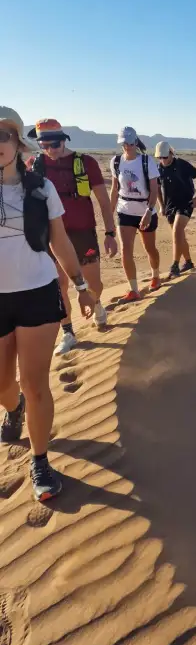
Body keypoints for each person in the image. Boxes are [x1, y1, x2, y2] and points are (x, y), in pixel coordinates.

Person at [0, 106, 95, 501]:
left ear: (16, 142)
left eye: (2, 137)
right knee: (3, 384)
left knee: (35, 383)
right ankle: (13, 406)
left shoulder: (40, 188)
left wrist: (80, 285)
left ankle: (40, 459)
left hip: (38, 293)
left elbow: (59, 241)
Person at [26, 119, 118, 355]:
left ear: (64, 139)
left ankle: (96, 303)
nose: (50, 150)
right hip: (51, 236)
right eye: (44, 145)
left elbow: (103, 202)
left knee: (93, 283)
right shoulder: (34, 165)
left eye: (54, 144)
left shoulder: (86, 162)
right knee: (59, 286)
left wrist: (110, 233)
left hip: (83, 233)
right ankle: (68, 332)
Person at [110, 127, 161, 302]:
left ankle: (155, 276)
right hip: (124, 211)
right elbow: (114, 189)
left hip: (145, 211)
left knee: (150, 248)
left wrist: (148, 211)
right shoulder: (116, 162)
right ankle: (133, 289)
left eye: (131, 142)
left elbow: (154, 190)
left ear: (136, 141)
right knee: (125, 250)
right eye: (124, 143)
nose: (128, 146)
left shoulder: (147, 161)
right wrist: (109, 213)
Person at [155, 141, 196, 279]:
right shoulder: (158, 168)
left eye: (165, 157)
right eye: (160, 158)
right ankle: (188, 262)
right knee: (179, 236)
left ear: (171, 154)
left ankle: (175, 266)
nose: (163, 160)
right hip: (170, 206)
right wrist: (161, 205)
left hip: (186, 203)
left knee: (177, 231)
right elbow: (157, 187)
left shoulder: (182, 164)